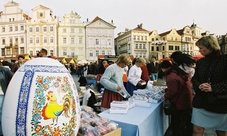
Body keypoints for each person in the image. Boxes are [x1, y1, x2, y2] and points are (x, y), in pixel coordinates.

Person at [191, 35, 227, 136]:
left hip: (219, 102)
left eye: (201, 48)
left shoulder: (225, 60)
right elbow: (195, 78)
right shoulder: (201, 62)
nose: (199, 51)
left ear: (210, 46)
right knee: (197, 129)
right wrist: (199, 85)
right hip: (201, 101)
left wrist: (213, 88)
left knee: (221, 131)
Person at [161, 60, 193, 136]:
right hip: (186, 102)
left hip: (179, 104)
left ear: (163, 68)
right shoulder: (178, 72)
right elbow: (178, 86)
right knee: (182, 123)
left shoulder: (171, 76)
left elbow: (173, 91)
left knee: (177, 125)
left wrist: (165, 97)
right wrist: (166, 90)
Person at [0, 64, 13, 135]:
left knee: (1, 112)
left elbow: (14, 77)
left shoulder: (4, 70)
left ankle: (2, 131)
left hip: (1, 94)